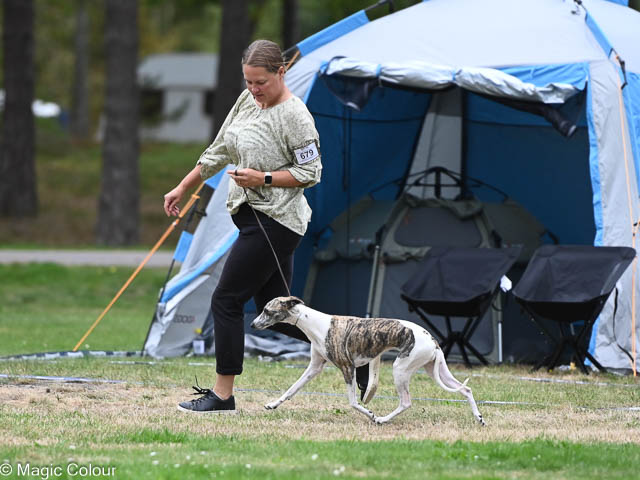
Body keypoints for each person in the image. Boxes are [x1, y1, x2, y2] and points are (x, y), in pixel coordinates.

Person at [164, 39, 322, 414]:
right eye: (248, 81)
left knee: (226, 299)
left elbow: (311, 172)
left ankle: (223, 395)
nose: (254, 89)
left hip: (277, 221)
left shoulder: (295, 116)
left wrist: (263, 178)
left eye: (260, 82)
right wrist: (183, 186)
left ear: (281, 72)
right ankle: (356, 348)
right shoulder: (247, 101)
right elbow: (220, 148)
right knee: (276, 313)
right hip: (251, 218)